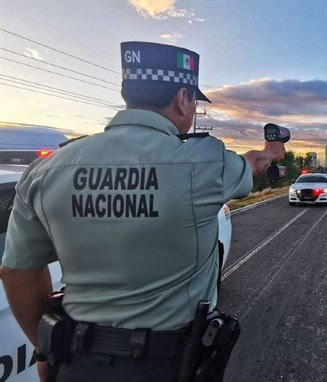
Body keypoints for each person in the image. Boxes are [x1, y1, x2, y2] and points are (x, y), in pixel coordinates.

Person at [0, 41, 285, 381]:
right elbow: (252, 164)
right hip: (167, 367)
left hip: (76, 365)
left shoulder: (46, 171)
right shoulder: (205, 164)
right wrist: (271, 150)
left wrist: (45, 349)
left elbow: (18, 272)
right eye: (194, 101)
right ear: (183, 98)